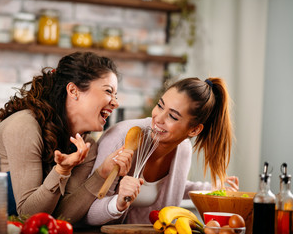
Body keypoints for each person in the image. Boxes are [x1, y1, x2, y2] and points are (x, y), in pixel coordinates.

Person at [0, 52, 134, 223]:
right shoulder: (25, 125)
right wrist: (61, 171)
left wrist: (101, 174)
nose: (115, 102)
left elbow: (59, 218)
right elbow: (28, 215)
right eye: (108, 91)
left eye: (116, 95)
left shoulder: (86, 145)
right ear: (73, 91)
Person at [85, 77, 239, 225]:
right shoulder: (120, 138)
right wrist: (117, 203)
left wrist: (212, 188)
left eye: (172, 116)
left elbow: (173, 186)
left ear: (194, 130)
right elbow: (88, 214)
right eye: (160, 105)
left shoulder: (183, 149)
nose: (158, 118)